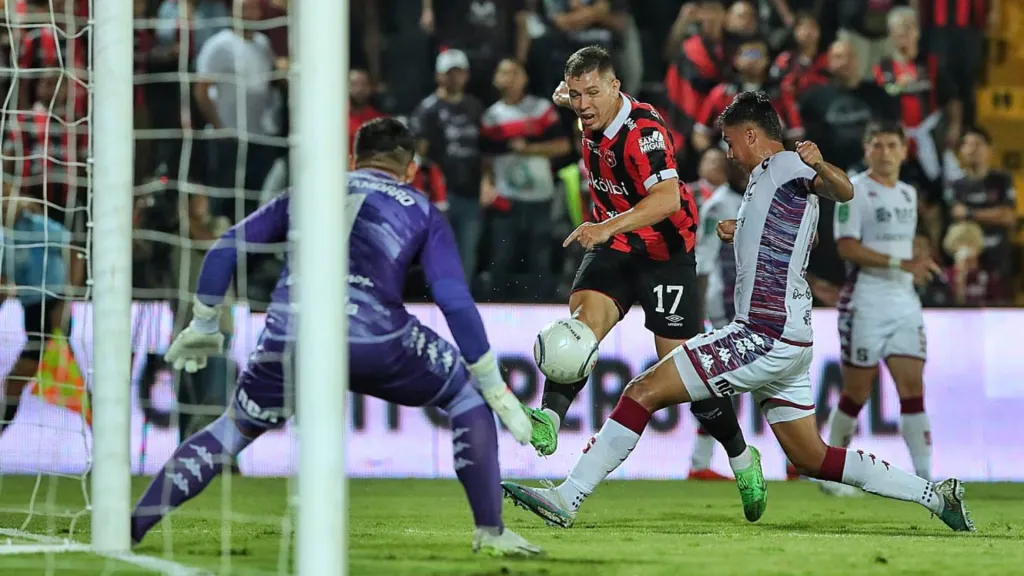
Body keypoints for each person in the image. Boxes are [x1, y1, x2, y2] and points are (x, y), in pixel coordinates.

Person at [501, 91, 975, 534]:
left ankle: (569, 496)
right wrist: (741, 229)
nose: (727, 152)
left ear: (752, 135)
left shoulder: (788, 163)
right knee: (811, 457)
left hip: (763, 333)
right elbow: (784, 229)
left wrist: (822, 166)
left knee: (642, 390)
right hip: (791, 337)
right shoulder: (763, 183)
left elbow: (843, 191)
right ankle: (936, 496)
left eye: (730, 141)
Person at [129, 118, 542, 556]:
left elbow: (227, 246)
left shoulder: (307, 193)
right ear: (410, 168)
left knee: (230, 429)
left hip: (291, 337)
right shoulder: (421, 208)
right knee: (467, 399)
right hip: (376, 342)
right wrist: (494, 385)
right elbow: (453, 299)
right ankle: (491, 532)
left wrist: (204, 323)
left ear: (353, 159)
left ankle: (131, 527)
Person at [522, 45, 767, 522]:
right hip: (616, 248)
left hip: (664, 255)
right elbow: (571, 97)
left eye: (593, 92)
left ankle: (741, 457)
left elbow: (669, 199)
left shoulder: (645, 133)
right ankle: (549, 418)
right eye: (576, 95)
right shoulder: (586, 111)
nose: (584, 103)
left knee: (686, 376)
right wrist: (568, 96)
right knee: (579, 329)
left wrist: (607, 226)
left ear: (617, 86)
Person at [823, 122, 941, 497]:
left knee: (912, 388)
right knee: (856, 392)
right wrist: (899, 263)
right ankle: (829, 472)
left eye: (893, 145)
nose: (886, 152)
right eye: (878, 145)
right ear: (866, 149)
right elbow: (847, 247)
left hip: (905, 302)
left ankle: (925, 475)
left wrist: (917, 262)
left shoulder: (908, 194)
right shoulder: (854, 191)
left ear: (905, 151)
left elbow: (906, 248)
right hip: (866, 301)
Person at [0, 187, 73, 437]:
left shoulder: (36, 224)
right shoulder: (4, 236)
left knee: (15, 382)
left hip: (52, 307)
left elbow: (72, 248)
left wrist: (68, 297)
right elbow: (3, 280)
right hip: (31, 311)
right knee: (15, 383)